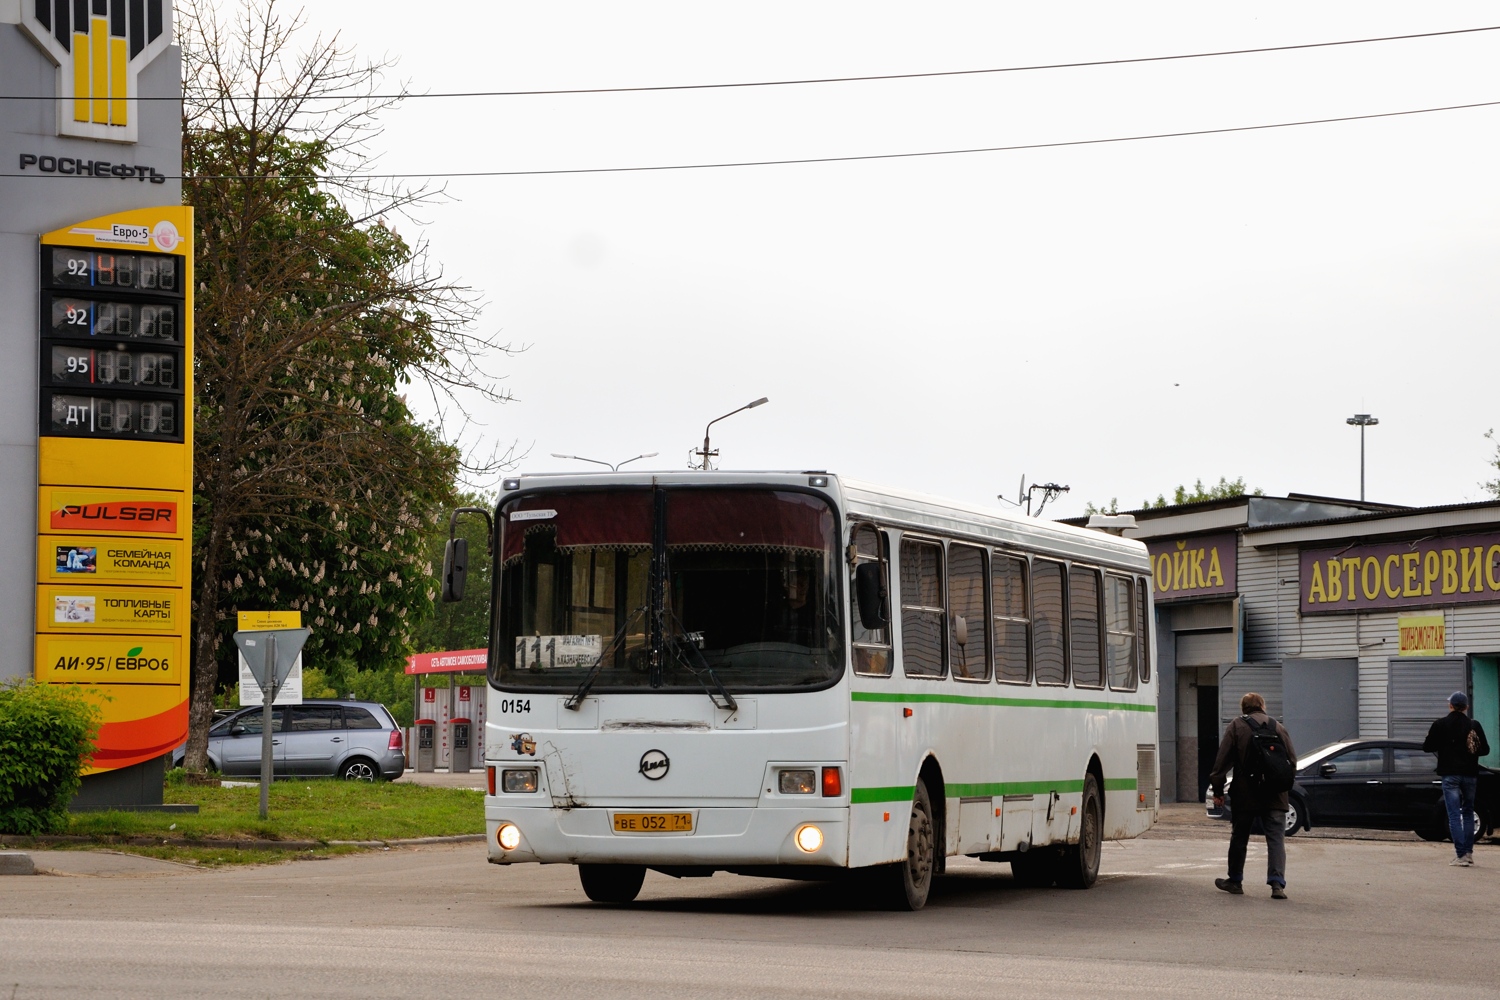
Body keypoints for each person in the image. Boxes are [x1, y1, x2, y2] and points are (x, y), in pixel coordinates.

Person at [1209, 692, 1297, 900]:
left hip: (1245, 795)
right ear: (1262, 706)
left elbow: (1222, 762)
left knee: (1240, 837)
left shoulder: (1237, 726)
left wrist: (1218, 791)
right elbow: (1291, 761)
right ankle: (1277, 885)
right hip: (1275, 795)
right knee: (1276, 839)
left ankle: (1235, 881)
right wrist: (1281, 786)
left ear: (1243, 708)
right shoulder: (1278, 727)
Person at [1422, 691, 1489, 867]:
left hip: (1450, 774)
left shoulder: (1440, 724)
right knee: (1468, 812)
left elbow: (1427, 747)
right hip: (1470, 774)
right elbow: (1485, 750)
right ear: (1466, 707)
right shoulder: (1474, 725)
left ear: (1450, 705)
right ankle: (1468, 853)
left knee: (1453, 814)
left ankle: (1460, 855)